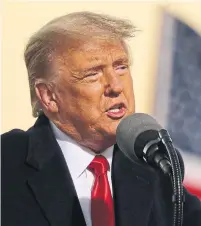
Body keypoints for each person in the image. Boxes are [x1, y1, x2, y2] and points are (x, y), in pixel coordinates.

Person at [2, 11, 201, 226]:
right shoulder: (7, 165)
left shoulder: (154, 166)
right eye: (93, 74)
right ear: (49, 96)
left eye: (121, 67)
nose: (116, 86)